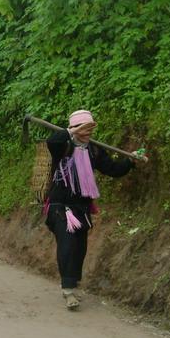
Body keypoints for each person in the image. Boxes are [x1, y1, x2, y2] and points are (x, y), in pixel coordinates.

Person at [45, 109, 138, 310]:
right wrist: (71, 132)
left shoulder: (94, 150)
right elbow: (52, 142)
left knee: (80, 248)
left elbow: (113, 169)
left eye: (90, 129)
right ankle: (68, 291)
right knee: (68, 244)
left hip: (81, 208)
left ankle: (73, 283)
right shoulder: (63, 146)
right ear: (75, 128)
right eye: (84, 129)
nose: (88, 133)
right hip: (60, 207)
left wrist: (130, 161)